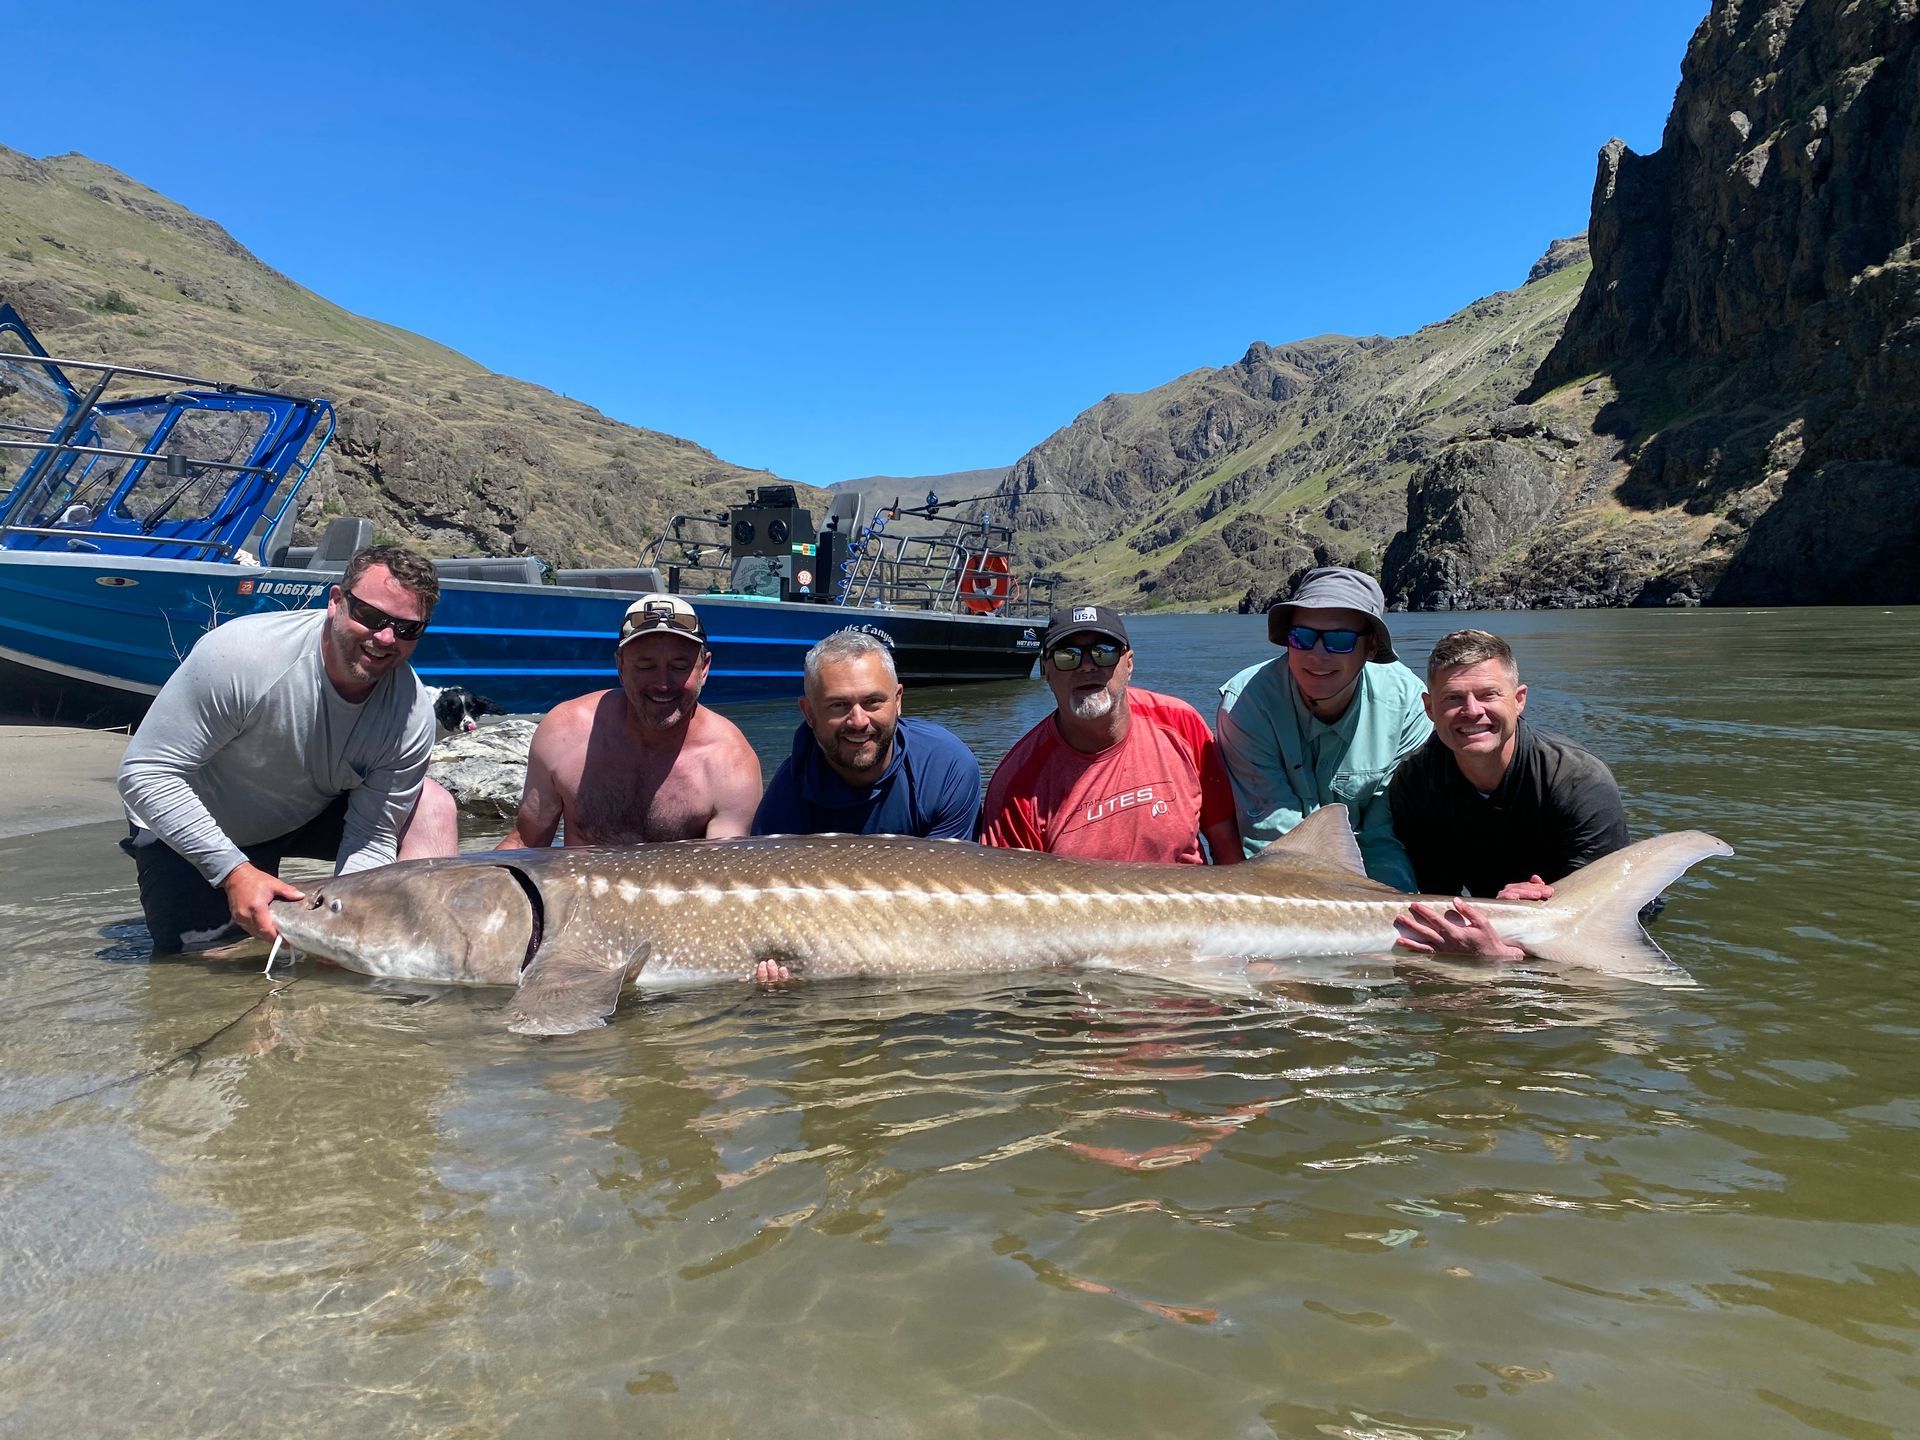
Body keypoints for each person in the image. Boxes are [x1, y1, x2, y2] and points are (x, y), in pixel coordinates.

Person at [118, 543, 459, 952]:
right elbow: (144, 773)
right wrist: (235, 872)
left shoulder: (411, 714)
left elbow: (372, 833)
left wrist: (348, 916)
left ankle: (413, 948)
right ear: (336, 602)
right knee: (206, 966)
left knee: (432, 804)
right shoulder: (244, 656)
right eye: (370, 616)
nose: (385, 638)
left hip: (301, 812)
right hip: (196, 821)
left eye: (406, 628)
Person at [1389, 628, 1631, 960]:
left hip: (1595, 916)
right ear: (1429, 708)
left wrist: (1511, 951)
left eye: (1488, 694)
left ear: (1519, 700)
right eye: (1453, 698)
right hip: (1497, 920)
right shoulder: (1414, 781)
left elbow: (1603, 914)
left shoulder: (1579, 780)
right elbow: (1437, 898)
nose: (1472, 710)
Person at [1216, 566, 1429, 888]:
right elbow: (1273, 835)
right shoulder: (1245, 705)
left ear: (1371, 648)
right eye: (1301, 638)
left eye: (1339, 640)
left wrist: (1392, 910)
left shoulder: (1410, 703)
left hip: (1377, 881)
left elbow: (1384, 835)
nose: (1316, 655)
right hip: (1288, 877)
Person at [980, 604, 1240, 864]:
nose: (1086, 666)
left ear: (1128, 664)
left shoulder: (1181, 723)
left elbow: (1226, 843)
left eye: (1103, 652)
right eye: (1067, 655)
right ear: (1046, 671)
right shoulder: (1016, 786)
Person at [499, 594, 761, 848]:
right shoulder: (563, 732)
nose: (662, 684)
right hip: (576, 891)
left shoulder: (731, 762)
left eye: (679, 667)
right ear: (620, 666)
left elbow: (722, 877)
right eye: (645, 666)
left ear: (704, 668)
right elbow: (526, 841)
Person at [752, 628, 981, 838]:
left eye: (872, 701)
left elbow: (945, 878)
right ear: (809, 713)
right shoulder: (785, 798)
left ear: (898, 700)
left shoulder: (945, 770)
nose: (858, 721)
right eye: (838, 704)